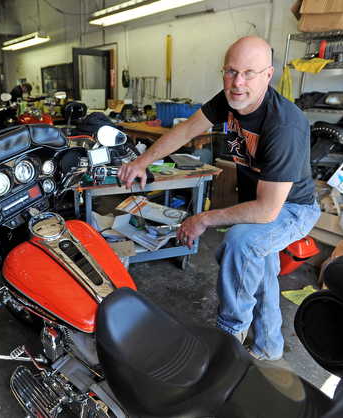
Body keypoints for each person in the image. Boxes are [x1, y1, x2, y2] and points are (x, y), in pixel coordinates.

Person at [117, 36, 320, 361]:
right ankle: (269, 347)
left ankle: (228, 339)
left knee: (241, 242)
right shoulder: (229, 99)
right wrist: (142, 161)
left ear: (268, 75)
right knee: (260, 267)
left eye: (249, 73)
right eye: (230, 71)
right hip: (262, 205)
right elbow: (186, 131)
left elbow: (268, 211)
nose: (237, 83)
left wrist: (202, 218)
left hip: (293, 208)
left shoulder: (285, 124)